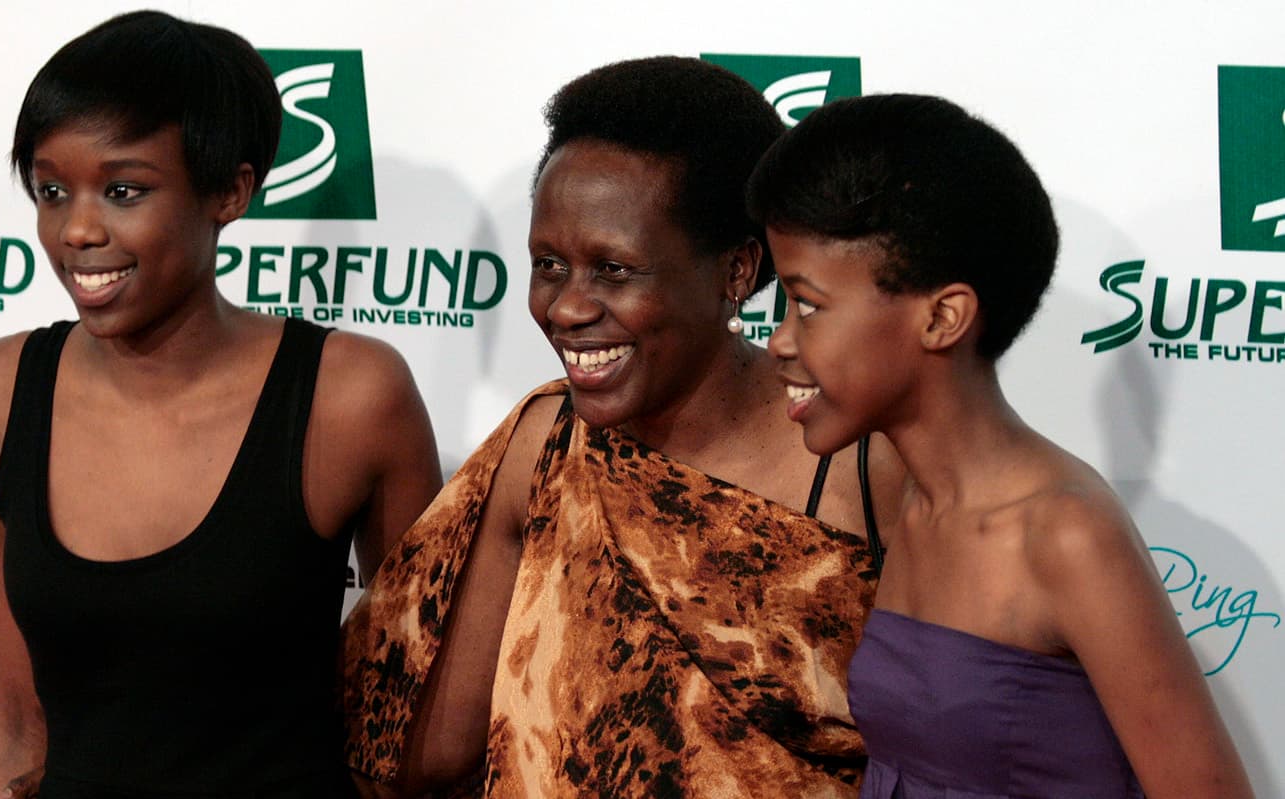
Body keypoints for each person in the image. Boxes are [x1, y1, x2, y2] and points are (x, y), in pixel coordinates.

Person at [343, 57, 902, 798]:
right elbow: (423, 746)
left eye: (612, 270)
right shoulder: (544, 443)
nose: (567, 307)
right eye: (548, 264)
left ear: (736, 270)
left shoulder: (864, 463)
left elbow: (961, 748)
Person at [0, 11, 442, 798]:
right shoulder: (2, 385)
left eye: (123, 190)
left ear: (229, 191)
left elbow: (410, 719)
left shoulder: (349, 395)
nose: (77, 229)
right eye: (52, 190)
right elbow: (16, 721)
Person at [748, 93, 1256, 798]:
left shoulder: (1064, 532)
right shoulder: (917, 505)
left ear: (942, 317)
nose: (777, 340)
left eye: (806, 305)